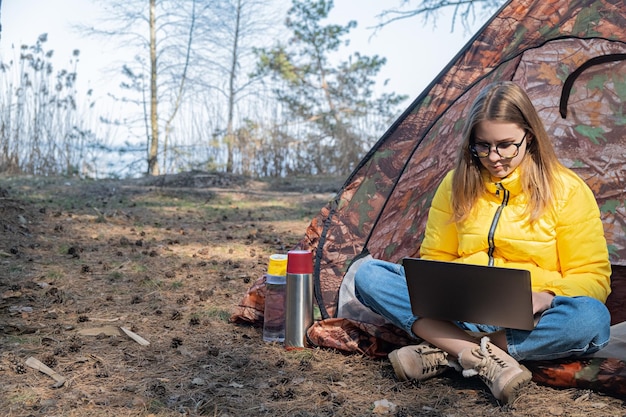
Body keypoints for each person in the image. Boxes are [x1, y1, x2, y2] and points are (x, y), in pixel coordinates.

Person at [354, 81, 612, 405]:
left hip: (529, 316)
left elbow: (594, 277)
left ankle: (449, 350)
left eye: (506, 145)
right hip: (459, 307)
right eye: (483, 146)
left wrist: (546, 297)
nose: (494, 157)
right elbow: (435, 259)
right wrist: (441, 289)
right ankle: (477, 354)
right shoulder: (455, 183)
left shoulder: (568, 190)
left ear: (528, 136)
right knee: (368, 275)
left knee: (592, 320)